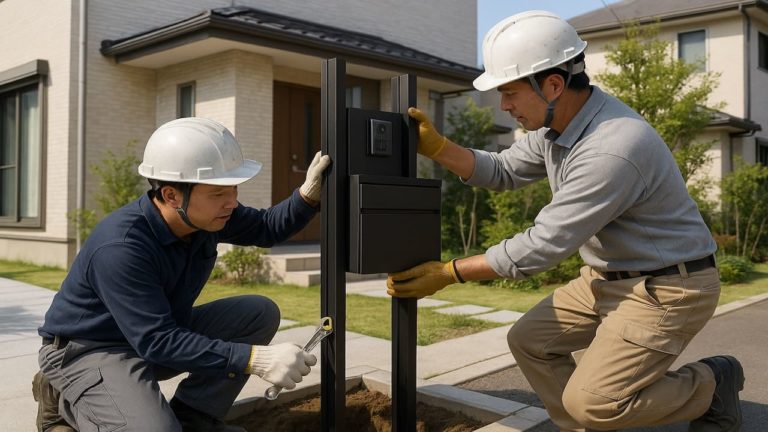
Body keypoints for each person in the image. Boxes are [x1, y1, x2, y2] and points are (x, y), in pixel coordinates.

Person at [387, 10, 743, 432]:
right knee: (531, 342)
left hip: (668, 287)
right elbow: (502, 169)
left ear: (553, 85)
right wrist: (439, 147)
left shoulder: (612, 147)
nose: (504, 106)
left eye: (510, 93)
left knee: (594, 403)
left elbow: (543, 245)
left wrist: (451, 272)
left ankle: (711, 385)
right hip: (607, 277)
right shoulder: (557, 126)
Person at [34, 117, 330, 432]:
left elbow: (266, 227)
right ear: (172, 195)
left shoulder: (204, 217)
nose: (232, 202)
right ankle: (64, 401)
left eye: (233, 188)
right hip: (90, 349)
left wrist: (308, 195)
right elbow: (157, 340)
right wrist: (255, 359)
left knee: (257, 313)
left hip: (152, 336)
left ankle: (194, 417)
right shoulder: (121, 247)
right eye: (218, 193)